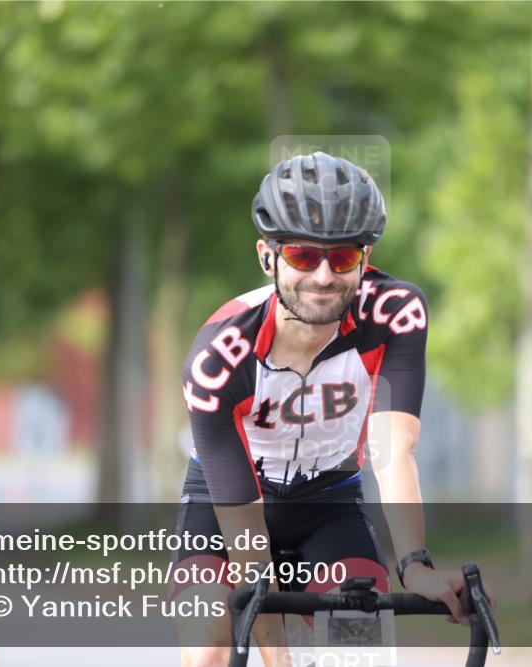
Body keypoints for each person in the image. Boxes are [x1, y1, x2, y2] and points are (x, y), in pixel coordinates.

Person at [170, 151, 474, 667]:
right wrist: (280, 658)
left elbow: (394, 451)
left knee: (356, 650)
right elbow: (247, 546)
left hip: (329, 502)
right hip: (228, 508)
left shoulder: (396, 314)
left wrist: (415, 566)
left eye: (344, 258)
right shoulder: (218, 359)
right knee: (210, 641)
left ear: (366, 256)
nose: (325, 277)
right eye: (304, 257)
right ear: (267, 257)